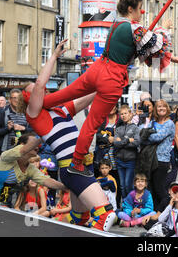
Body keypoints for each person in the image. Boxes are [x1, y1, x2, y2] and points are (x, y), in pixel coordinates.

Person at [39, 0, 178, 176]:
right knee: (91, 124)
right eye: (139, 8)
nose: (141, 12)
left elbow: (143, 52)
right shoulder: (135, 28)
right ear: (130, 7)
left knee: (64, 94)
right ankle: (77, 164)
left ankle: (39, 105)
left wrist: (170, 57)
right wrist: (165, 29)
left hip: (98, 68)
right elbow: (156, 43)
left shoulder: (117, 23)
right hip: (112, 78)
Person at [22, 40, 116, 232]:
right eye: (37, 92)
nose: (44, 90)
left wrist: (111, 76)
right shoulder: (35, 115)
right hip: (73, 168)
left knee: (80, 219)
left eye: (46, 90)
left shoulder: (61, 109)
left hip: (82, 165)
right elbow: (40, 84)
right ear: (29, 99)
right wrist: (54, 57)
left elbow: (91, 94)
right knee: (107, 214)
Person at [0, 133, 66, 207]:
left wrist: (67, 187)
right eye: (33, 142)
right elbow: (22, 151)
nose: (38, 145)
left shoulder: (30, 169)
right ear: (22, 145)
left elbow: (47, 181)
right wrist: (45, 135)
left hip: (1, 205)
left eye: (37, 143)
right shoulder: (7, 157)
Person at [146, 99, 175, 209]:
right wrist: (147, 135)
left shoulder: (170, 123)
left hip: (162, 160)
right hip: (150, 159)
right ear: (155, 109)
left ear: (167, 108)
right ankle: (156, 214)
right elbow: (141, 135)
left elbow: (157, 137)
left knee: (160, 188)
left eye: (163, 106)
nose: (161, 108)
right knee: (152, 188)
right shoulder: (152, 122)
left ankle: (166, 211)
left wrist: (147, 135)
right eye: (158, 106)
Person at [114, 105, 140, 199]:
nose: (123, 115)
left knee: (128, 185)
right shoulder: (118, 129)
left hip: (130, 160)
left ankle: (131, 203)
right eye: (121, 114)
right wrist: (128, 140)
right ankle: (125, 204)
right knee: (122, 186)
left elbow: (137, 142)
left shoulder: (135, 128)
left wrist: (121, 141)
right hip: (120, 160)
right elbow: (115, 144)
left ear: (130, 114)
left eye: (125, 113)